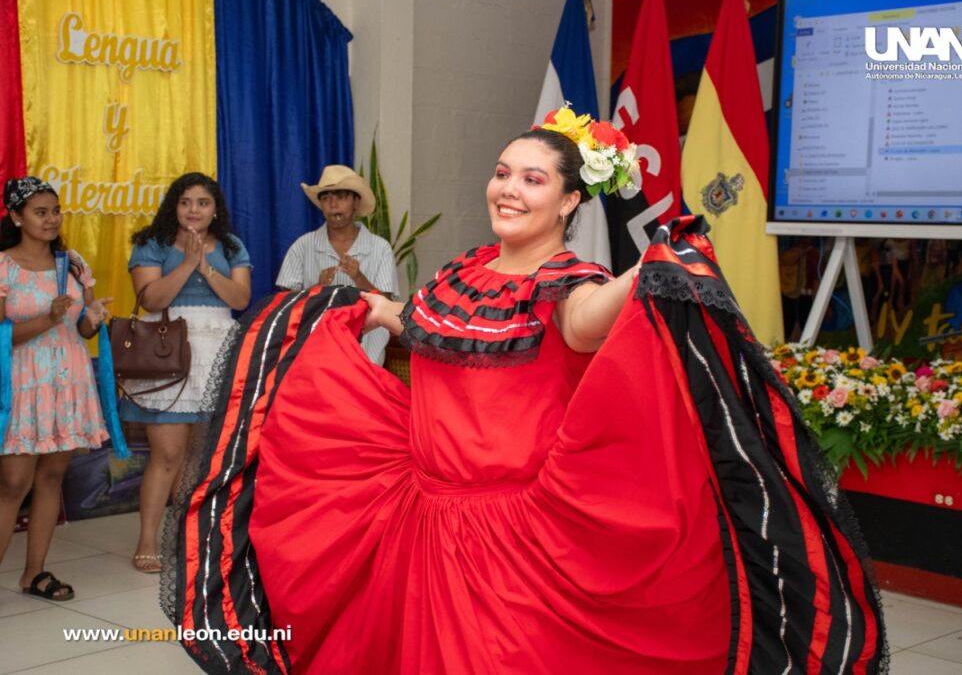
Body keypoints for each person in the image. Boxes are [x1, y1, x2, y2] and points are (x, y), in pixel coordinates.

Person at [171, 111, 886, 673]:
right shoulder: (465, 272)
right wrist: (361, 308)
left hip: (509, 546)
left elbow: (589, 318)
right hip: (420, 520)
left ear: (572, 199)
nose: (508, 188)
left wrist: (652, 267)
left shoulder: (572, 287)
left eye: (533, 180)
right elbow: (420, 326)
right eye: (502, 172)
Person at [120, 172, 251, 574]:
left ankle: (187, 539)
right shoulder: (152, 244)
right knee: (168, 455)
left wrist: (209, 268)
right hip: (169, 350)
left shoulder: (231, 246)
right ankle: (147, 540)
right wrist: (188, 264)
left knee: (201, 458)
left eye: (203, 203)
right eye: (185, 202)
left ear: (215, 210)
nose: (194, 210)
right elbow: (150, 300)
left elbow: (242, 298)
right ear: (173, 206)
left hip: (219, 350)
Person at [0, 176, 112, 601]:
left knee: (52, 477)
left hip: (68, 381)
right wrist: (47, 319)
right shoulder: (4, 265)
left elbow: (80, 328)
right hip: (22, 384)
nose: (51, 219)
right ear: (16, 217)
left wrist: (92, 317)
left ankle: (34, 574)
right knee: (13, 483)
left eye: (55, 211)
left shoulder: (73, 262)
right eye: (40, 212)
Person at [275, 165, 399, 365]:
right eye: (326, 197)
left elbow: (387, 305)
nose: (333, 204)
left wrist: (359, 277)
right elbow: (285, 307)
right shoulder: (302, 246)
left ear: (356, 203)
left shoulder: (379, 248)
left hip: (366, 354)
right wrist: (315, 290)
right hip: (316, 355)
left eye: (341, 196)